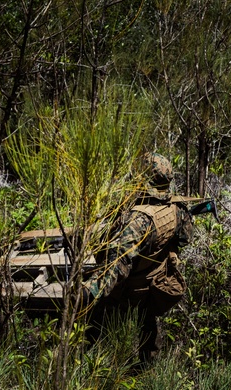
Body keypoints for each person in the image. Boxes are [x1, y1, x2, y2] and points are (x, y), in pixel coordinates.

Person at [83, 153, 194, 362]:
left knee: (92, 324)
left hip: (128, 291)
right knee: (149, 324)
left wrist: (88, 292)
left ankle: (85, 367)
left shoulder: (138, 220)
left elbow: (117, 266)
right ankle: (147, 369)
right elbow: (184, 238)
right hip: (153, 285)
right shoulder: (177, 208)